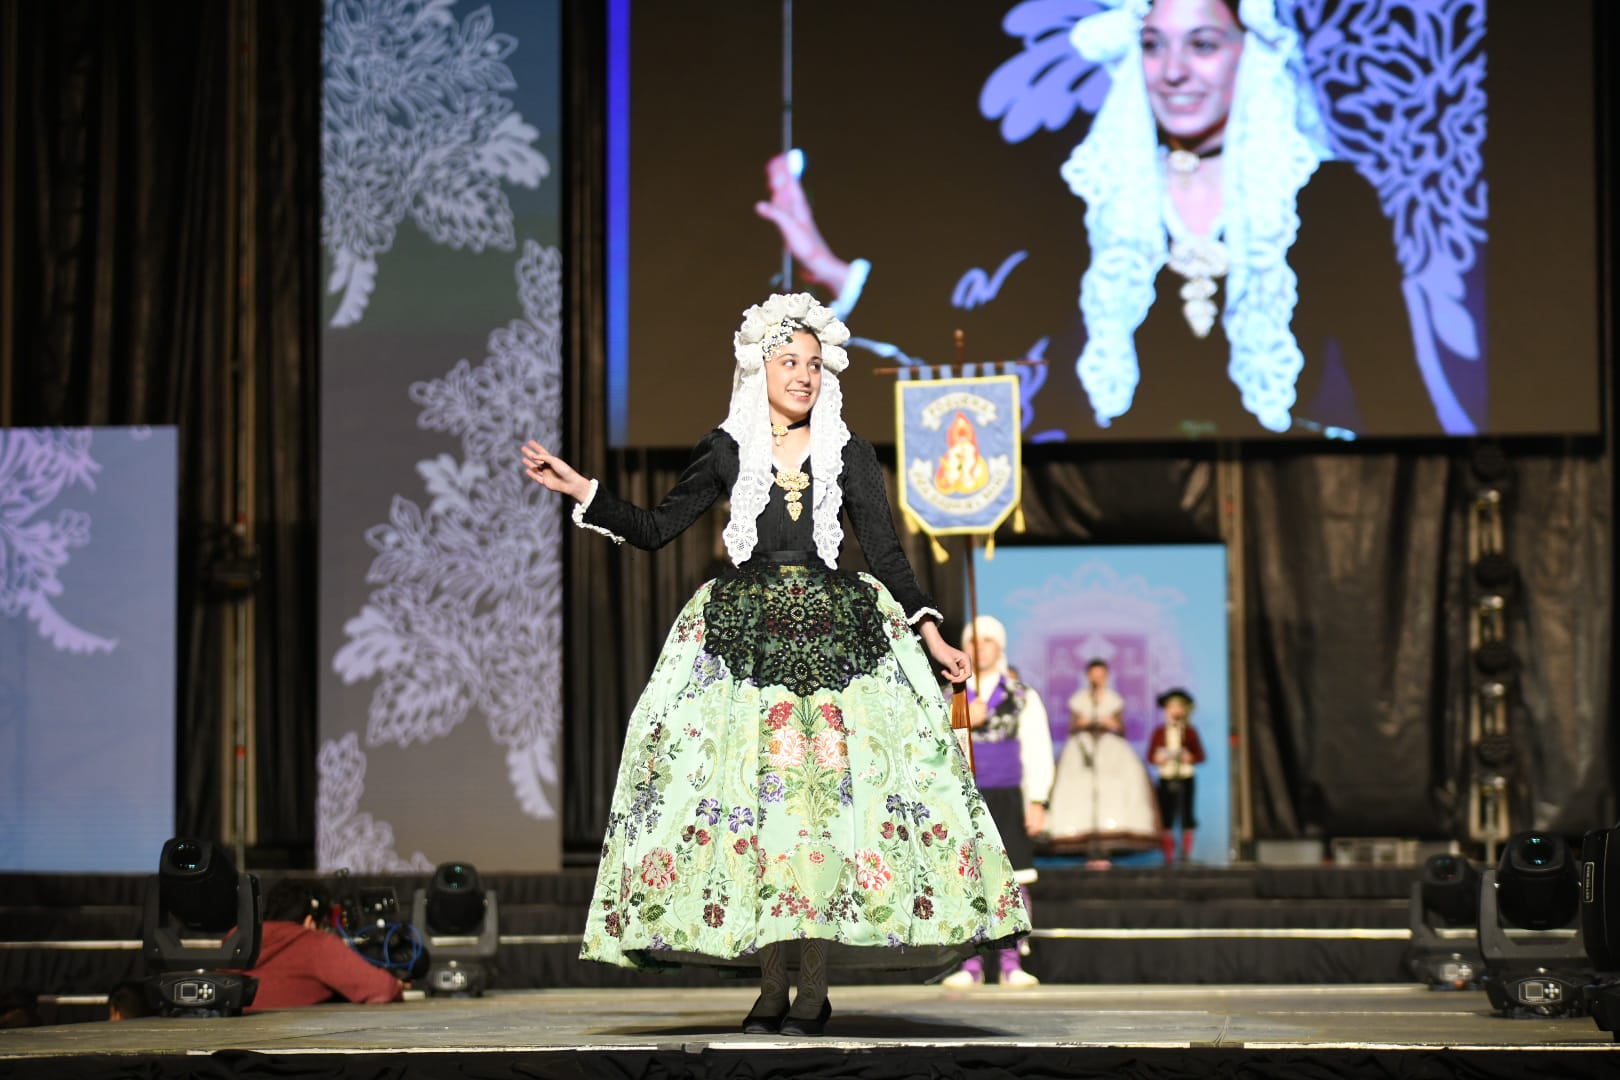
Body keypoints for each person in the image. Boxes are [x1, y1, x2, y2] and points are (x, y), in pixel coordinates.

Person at [525, 292, 1030, 1036]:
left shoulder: (850, 454)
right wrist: (586, 493)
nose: (802, 375)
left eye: (813, 365)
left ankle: (815, 987)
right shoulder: (727, 449)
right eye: (788, 362)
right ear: (757, 369)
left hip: (839, 641)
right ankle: (770, 986)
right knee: (762, 816)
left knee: (822, 818)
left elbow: (887, 554)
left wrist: (930, 632)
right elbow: (659, 527)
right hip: (745, 640)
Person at [755, 0, 1440, 440]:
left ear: (1249, 53)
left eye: (1202, 44)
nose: (1174, 71)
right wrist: (836, 272)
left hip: (1289, 497)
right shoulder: (1092, 200)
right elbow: (987, 335)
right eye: (1153, 45)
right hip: (1116, 501)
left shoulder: (1329, 201)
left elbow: (1393, 385)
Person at [941, 615, 1053, 988]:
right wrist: (964, 718)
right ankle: (969, 965)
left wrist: (1038, 800)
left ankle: (1010, 963)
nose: (979, 647)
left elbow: (1037, 748)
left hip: (1007, 796)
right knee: (967, 878)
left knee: (1013, 879)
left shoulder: (1021, 694)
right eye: (973, 640)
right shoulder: (948, 693)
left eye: (988, 640)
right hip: (964, 796)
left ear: (1000, 647)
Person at [1046, 659, 1159, 861]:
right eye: (1093, 674)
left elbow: (1121, 728)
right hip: (1083, 747)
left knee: (1112, 787)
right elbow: (1072, 727)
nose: (1097, 678)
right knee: (1079, 787)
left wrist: (1110, 723)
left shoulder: (1114, 699)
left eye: (1101, 675)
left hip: (1109, 746)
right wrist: (1083, 723)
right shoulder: (1079, 699)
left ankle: (1110, 838)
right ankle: (1082, 838)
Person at [241, 879, 406, 1012]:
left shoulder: (237, 940)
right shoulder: (314, 943)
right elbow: (383, 989)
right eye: (325, 925)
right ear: (310, 922)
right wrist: (396, 984)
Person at [1148, 688, 1207, 865]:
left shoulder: (1189, 732)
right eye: (1171, 707)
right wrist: (1158, 758)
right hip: (1166, 777)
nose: (1175, 711)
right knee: (1167, 816)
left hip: (1185, 776)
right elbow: (1151, 756)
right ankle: (1168, 857)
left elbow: (1200, 755)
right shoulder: (1159, 732)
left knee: (1186, 815)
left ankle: (1186, 855)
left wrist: (1191, 757)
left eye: (1178, 707)